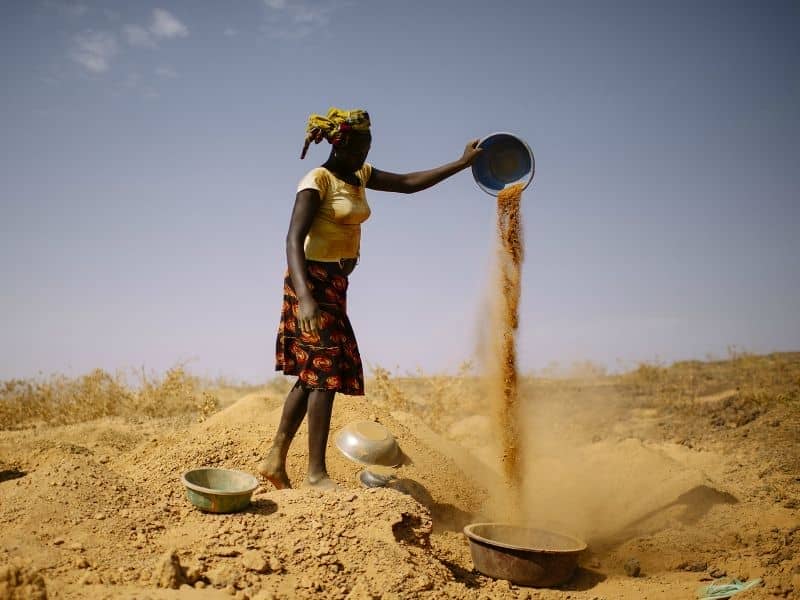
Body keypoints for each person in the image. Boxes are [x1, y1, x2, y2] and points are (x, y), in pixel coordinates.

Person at [258, 107, 482, 490]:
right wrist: (307, 299)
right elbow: (292, 241)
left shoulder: (359, 176)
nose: (366, 154)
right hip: (308, 282)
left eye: (370, 146)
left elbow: (409, 183)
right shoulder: (318, 180)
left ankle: (275, 458)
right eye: (361, 146)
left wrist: (462, 164)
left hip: (335, 285)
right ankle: (315, 474)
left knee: (315, 373)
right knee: (324, 374)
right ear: (342, 145)